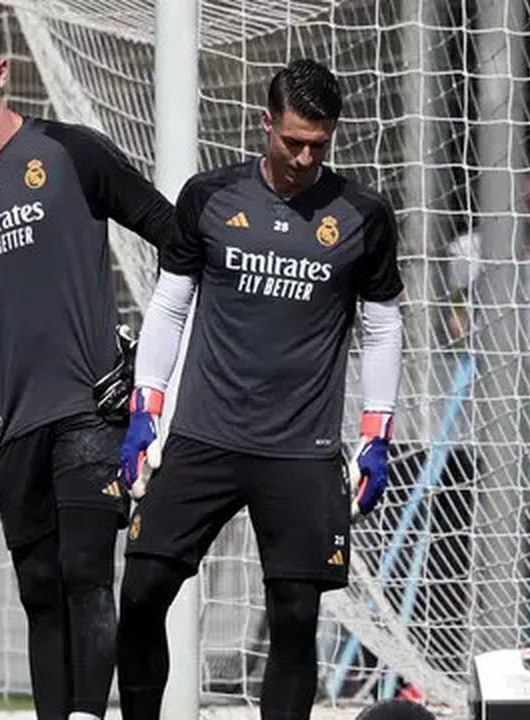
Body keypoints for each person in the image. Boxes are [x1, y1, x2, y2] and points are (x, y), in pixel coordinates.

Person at [0, 15, 177, 720]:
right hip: (11, 425)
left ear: (4, 72)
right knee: (39, 593)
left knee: (87, 573)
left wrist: (146, 358)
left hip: (90, 411)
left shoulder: (72, 151)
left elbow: (178, 241)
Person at [114, 58, 405, 719]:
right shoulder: (208, 198)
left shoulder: (362, 216)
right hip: (202, 437)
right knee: (140, 592)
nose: (305, 157)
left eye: (319, 144)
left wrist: (375, 435)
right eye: (293, 140)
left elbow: (384, 326)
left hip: (301, 450)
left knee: (296, 618)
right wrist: (144, 412)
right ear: (265, 124)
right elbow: (167, 307)